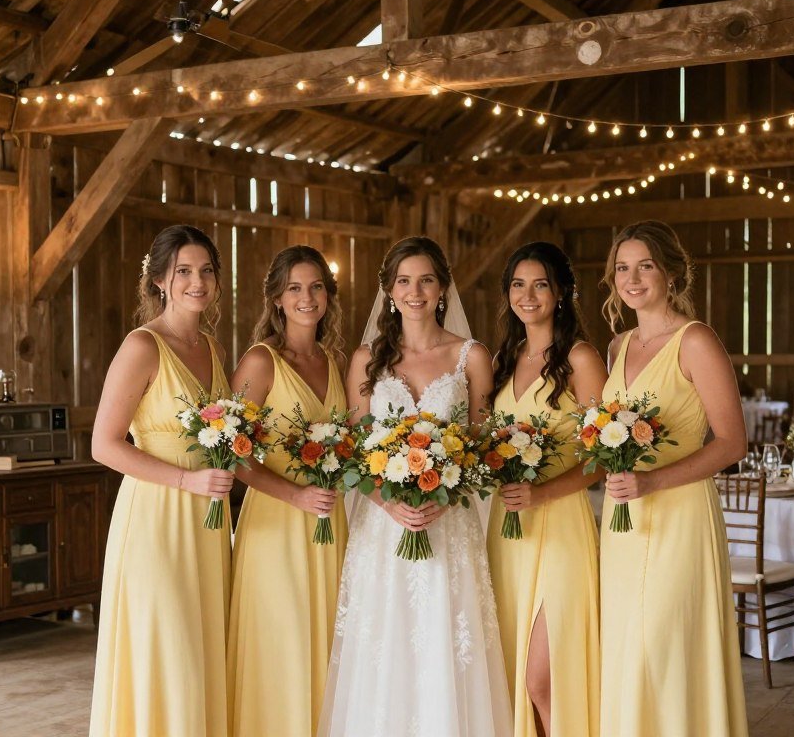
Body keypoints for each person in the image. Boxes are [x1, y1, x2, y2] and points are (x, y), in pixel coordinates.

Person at [319, 236, 512, 737]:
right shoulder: (367, 359)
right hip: (383, 527)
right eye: (403, 281)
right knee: (388, 647)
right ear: (389, 290)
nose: (415, 291)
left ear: (443, 288)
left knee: (445, 641)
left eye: (426, 279)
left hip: (450, 524)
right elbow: (357, 448)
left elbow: (483, 447)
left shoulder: (471, 356)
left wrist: (444, 500)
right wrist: (390, 505)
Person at [598, 220, 748, 736]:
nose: (632, 278)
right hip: (621, 521)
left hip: (678, 518)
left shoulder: (695, 340)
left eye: (645, 266)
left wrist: (653, 483)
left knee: (661, 649)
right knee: (626, 646)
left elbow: (733, 442)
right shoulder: (616, 347)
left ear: (670, 272)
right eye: (623, 268)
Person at [89, 224, 233, 737]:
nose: (197, 282)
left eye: (206, 271)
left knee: (201, 645)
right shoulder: (142, 346)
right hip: (156, 517)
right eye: (184, 272)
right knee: (167, 647)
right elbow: (104, 445)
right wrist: (185, 482)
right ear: (159, 282)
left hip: (209, 523)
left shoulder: (213, 349)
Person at [227, 246, 348, 737]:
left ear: (328, 295)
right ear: (276, 298)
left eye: (316, 286)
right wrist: (295, 495)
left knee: (327, 644)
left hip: (330, 521)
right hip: (275, 524)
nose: (307, 297)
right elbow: (232, 453)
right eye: (295, 288)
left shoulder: (334, 359)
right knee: (283, 646)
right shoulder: (261, 361)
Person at [487, 242, 605, 737]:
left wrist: (543, 493)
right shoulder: (502, 359)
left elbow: (604, 454)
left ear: (560, 292)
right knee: (514, 675)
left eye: (540, 284)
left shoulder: (579, 357)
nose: (528, 295)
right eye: (518, 284)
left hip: (560, 527)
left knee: (544, 679)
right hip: (506, 530)